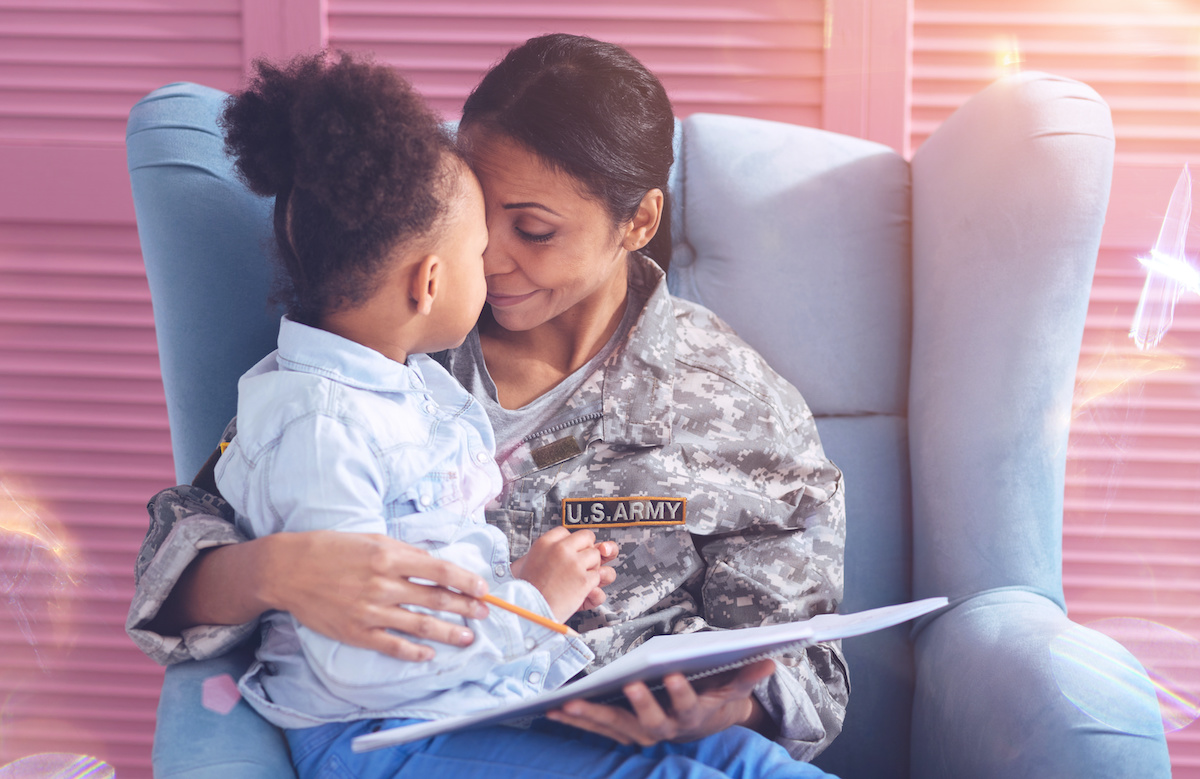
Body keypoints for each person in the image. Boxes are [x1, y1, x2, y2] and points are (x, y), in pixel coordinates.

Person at [127, 34, 847, 778]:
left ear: (636, 223)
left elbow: (812, 665)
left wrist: (730, 707)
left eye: (533, 230)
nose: (491, 257)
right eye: (475, 213)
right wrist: (274, 570)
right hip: (424, 733)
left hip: (626, 731)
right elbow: (175, 562)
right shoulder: (385, 339)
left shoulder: (739, 405)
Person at [208, 50, 609, 747]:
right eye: (481, 250)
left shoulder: (409, 382)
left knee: (742, 759)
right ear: (428, 283)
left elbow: (424, 559)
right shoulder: (319, 430)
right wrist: (532, 602)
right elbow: (361, 659)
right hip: (386, 734)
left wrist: (515, 586)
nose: (495, 269)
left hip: (465, 700)